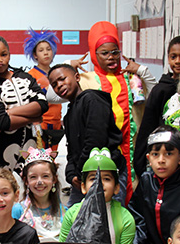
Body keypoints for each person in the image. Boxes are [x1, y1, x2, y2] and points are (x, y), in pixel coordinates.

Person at [76, 21, 157, 203]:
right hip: (101, 153)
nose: (111, 57)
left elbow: (156, 94)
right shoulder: (84, 79)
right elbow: (53, 94)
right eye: (104, 53)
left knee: (135, 198)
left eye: (115, 52)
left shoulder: (131, 78)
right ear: (94, 55)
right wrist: (68, 64)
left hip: (134, 150)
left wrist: (142, 71)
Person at [48, 64, 124, 207]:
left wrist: (79, 172)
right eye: (54, 84)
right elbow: (71, 150)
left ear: (77, 77)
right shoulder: (69, 114)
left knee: (108, 220)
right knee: (74, 220)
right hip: (82, 178)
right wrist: (71, 176)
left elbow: (95, 140)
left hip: (104, 175)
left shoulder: (92, 100)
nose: (59, 85)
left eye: (62, 79)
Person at [0, 32, 49, 171]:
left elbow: (42, 104)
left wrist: (9, 113)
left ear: (9, 55)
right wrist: (34, 117)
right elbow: (1, 122)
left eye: (3, 54)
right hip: (3, 152)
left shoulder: (25, 77)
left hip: (33, 146)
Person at [133, 36, 180, 178]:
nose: (178, 61)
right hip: (164, 158)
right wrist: (140, 163)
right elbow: (148, 127)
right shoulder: (161, 90)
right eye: (173, 57)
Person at [58, 148, 134, 244]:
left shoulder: (125, 219)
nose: (99, 183)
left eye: (106, 179)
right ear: (83, 187)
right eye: (93, 178)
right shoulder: (72, 214)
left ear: (116, 187)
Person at [12, 147, 65, 244]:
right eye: (33, 177)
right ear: (26, 181)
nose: (39, 182)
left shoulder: (65, 212)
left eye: (45, 176)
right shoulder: (18, 211)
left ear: (54, 179)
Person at [23, 28, 63, 148]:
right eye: (41, 50)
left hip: (56, 122)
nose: (46, 53)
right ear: (35, 55)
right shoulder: (30, 76)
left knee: (54, 157)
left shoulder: (58, 73)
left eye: (48, 49)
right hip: (40, 123)